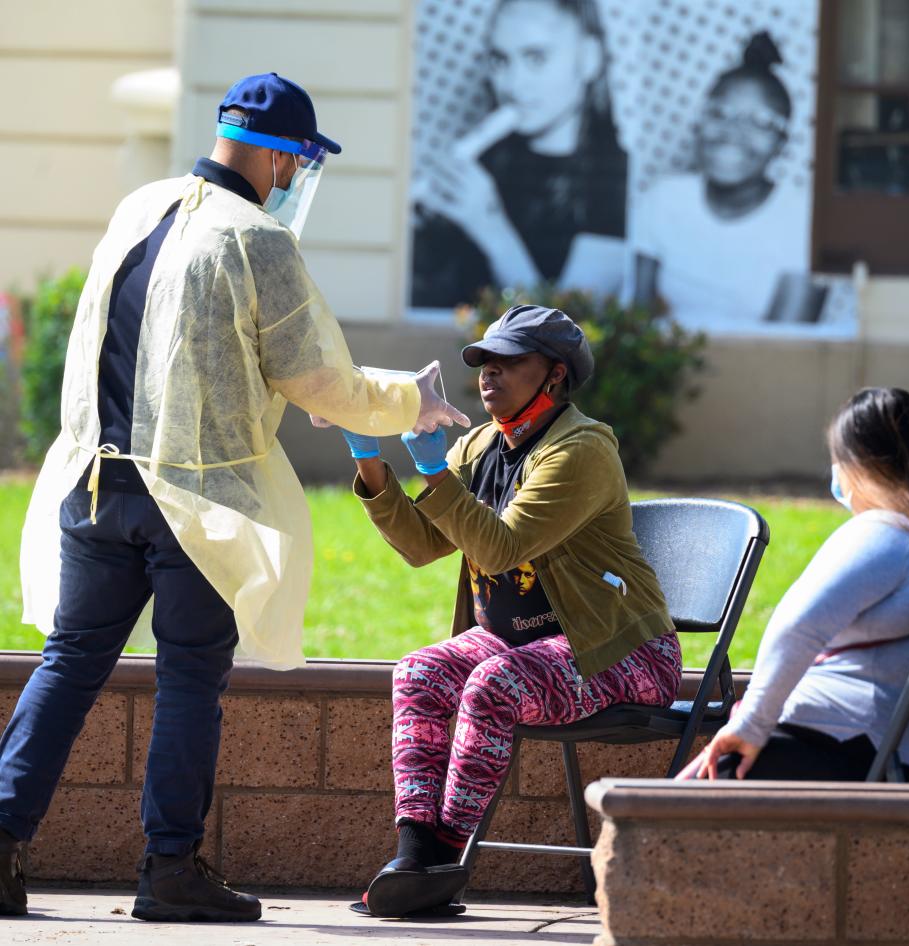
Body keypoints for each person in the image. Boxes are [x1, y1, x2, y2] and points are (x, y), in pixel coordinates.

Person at [0, 72, 468, 922]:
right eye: (297, 164)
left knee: (69, 666)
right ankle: (170, 870)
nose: (293, 182)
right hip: (193, 500)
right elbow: (319, 378)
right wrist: (414, 402)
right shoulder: (258, 240)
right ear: (284, 153)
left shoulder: (137, 207)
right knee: (189, 679)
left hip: (92, 486)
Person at [340, 305, 682, 917]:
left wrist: (433, 470)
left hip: (620, 650)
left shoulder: (581, 449)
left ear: (554, 376)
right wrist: (370, 461)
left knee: (495, 683)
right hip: (517, 644)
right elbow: (422, 546)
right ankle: (414, 851)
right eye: (484, 361)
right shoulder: (480, 445)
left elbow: (501, 548)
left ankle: (441, 860)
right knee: (418, 671)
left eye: (509, 362)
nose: (488, 373)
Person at [683, 388, 909, 783]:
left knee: (693, 794)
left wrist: (751, 725)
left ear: (857, 466)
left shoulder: (887, 533)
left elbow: (797, 626)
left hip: (856, 739)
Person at [411, 0, 627, 309]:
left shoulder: (617, 177)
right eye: (501, 60)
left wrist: (488, 225)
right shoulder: (487, 162)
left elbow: (567, 328)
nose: (512, 84)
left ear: (590, 59)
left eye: (536, 58)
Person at [626, 31, 811, 329]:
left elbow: (788, 348)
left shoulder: (802, 222)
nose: (733, 133)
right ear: (699, 122)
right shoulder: (664, 199)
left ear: (782, 142)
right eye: (720, 113)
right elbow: (637, 327)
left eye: (760, 122)